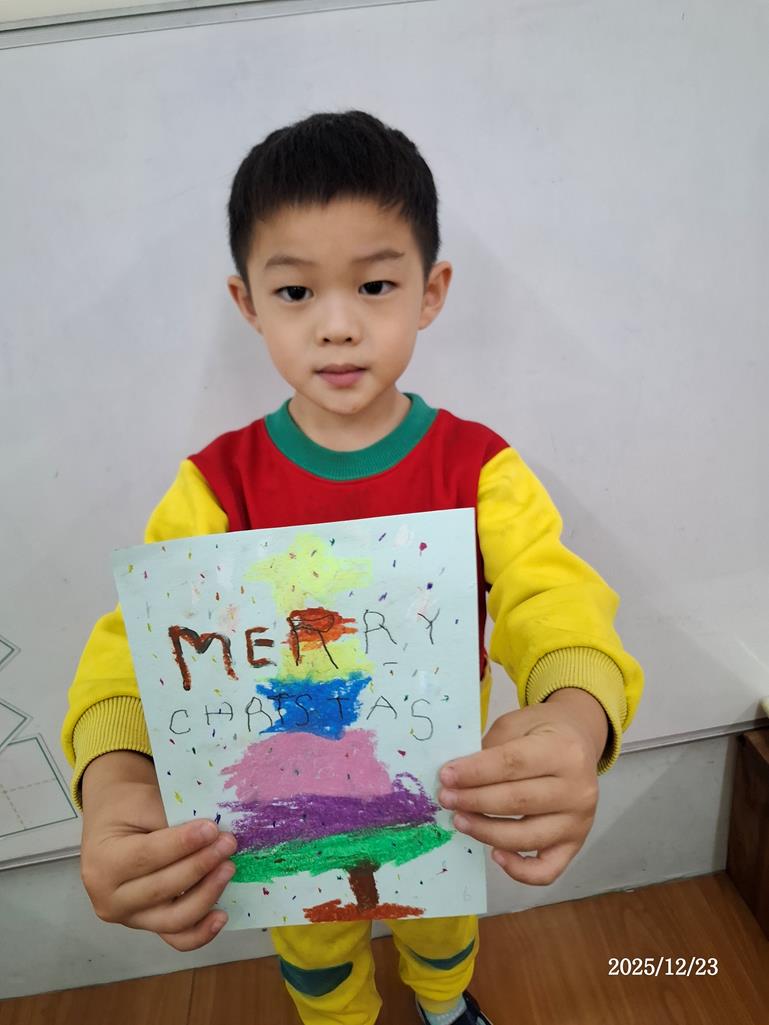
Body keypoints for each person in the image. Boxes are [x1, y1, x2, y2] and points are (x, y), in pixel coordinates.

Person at [61, 109, 644, 1025]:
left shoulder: (478, 469)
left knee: (440, 925)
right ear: (248, 303)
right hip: (282, 803)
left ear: (430, 291)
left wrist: (573, 715)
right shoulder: (213, 488)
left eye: (374, 285)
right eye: (295, 292)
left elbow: (554, 597)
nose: (337, 326)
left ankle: (443, 1007)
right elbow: (134, 647)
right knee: (316, 945)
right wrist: (115, 779)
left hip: (438, 797)